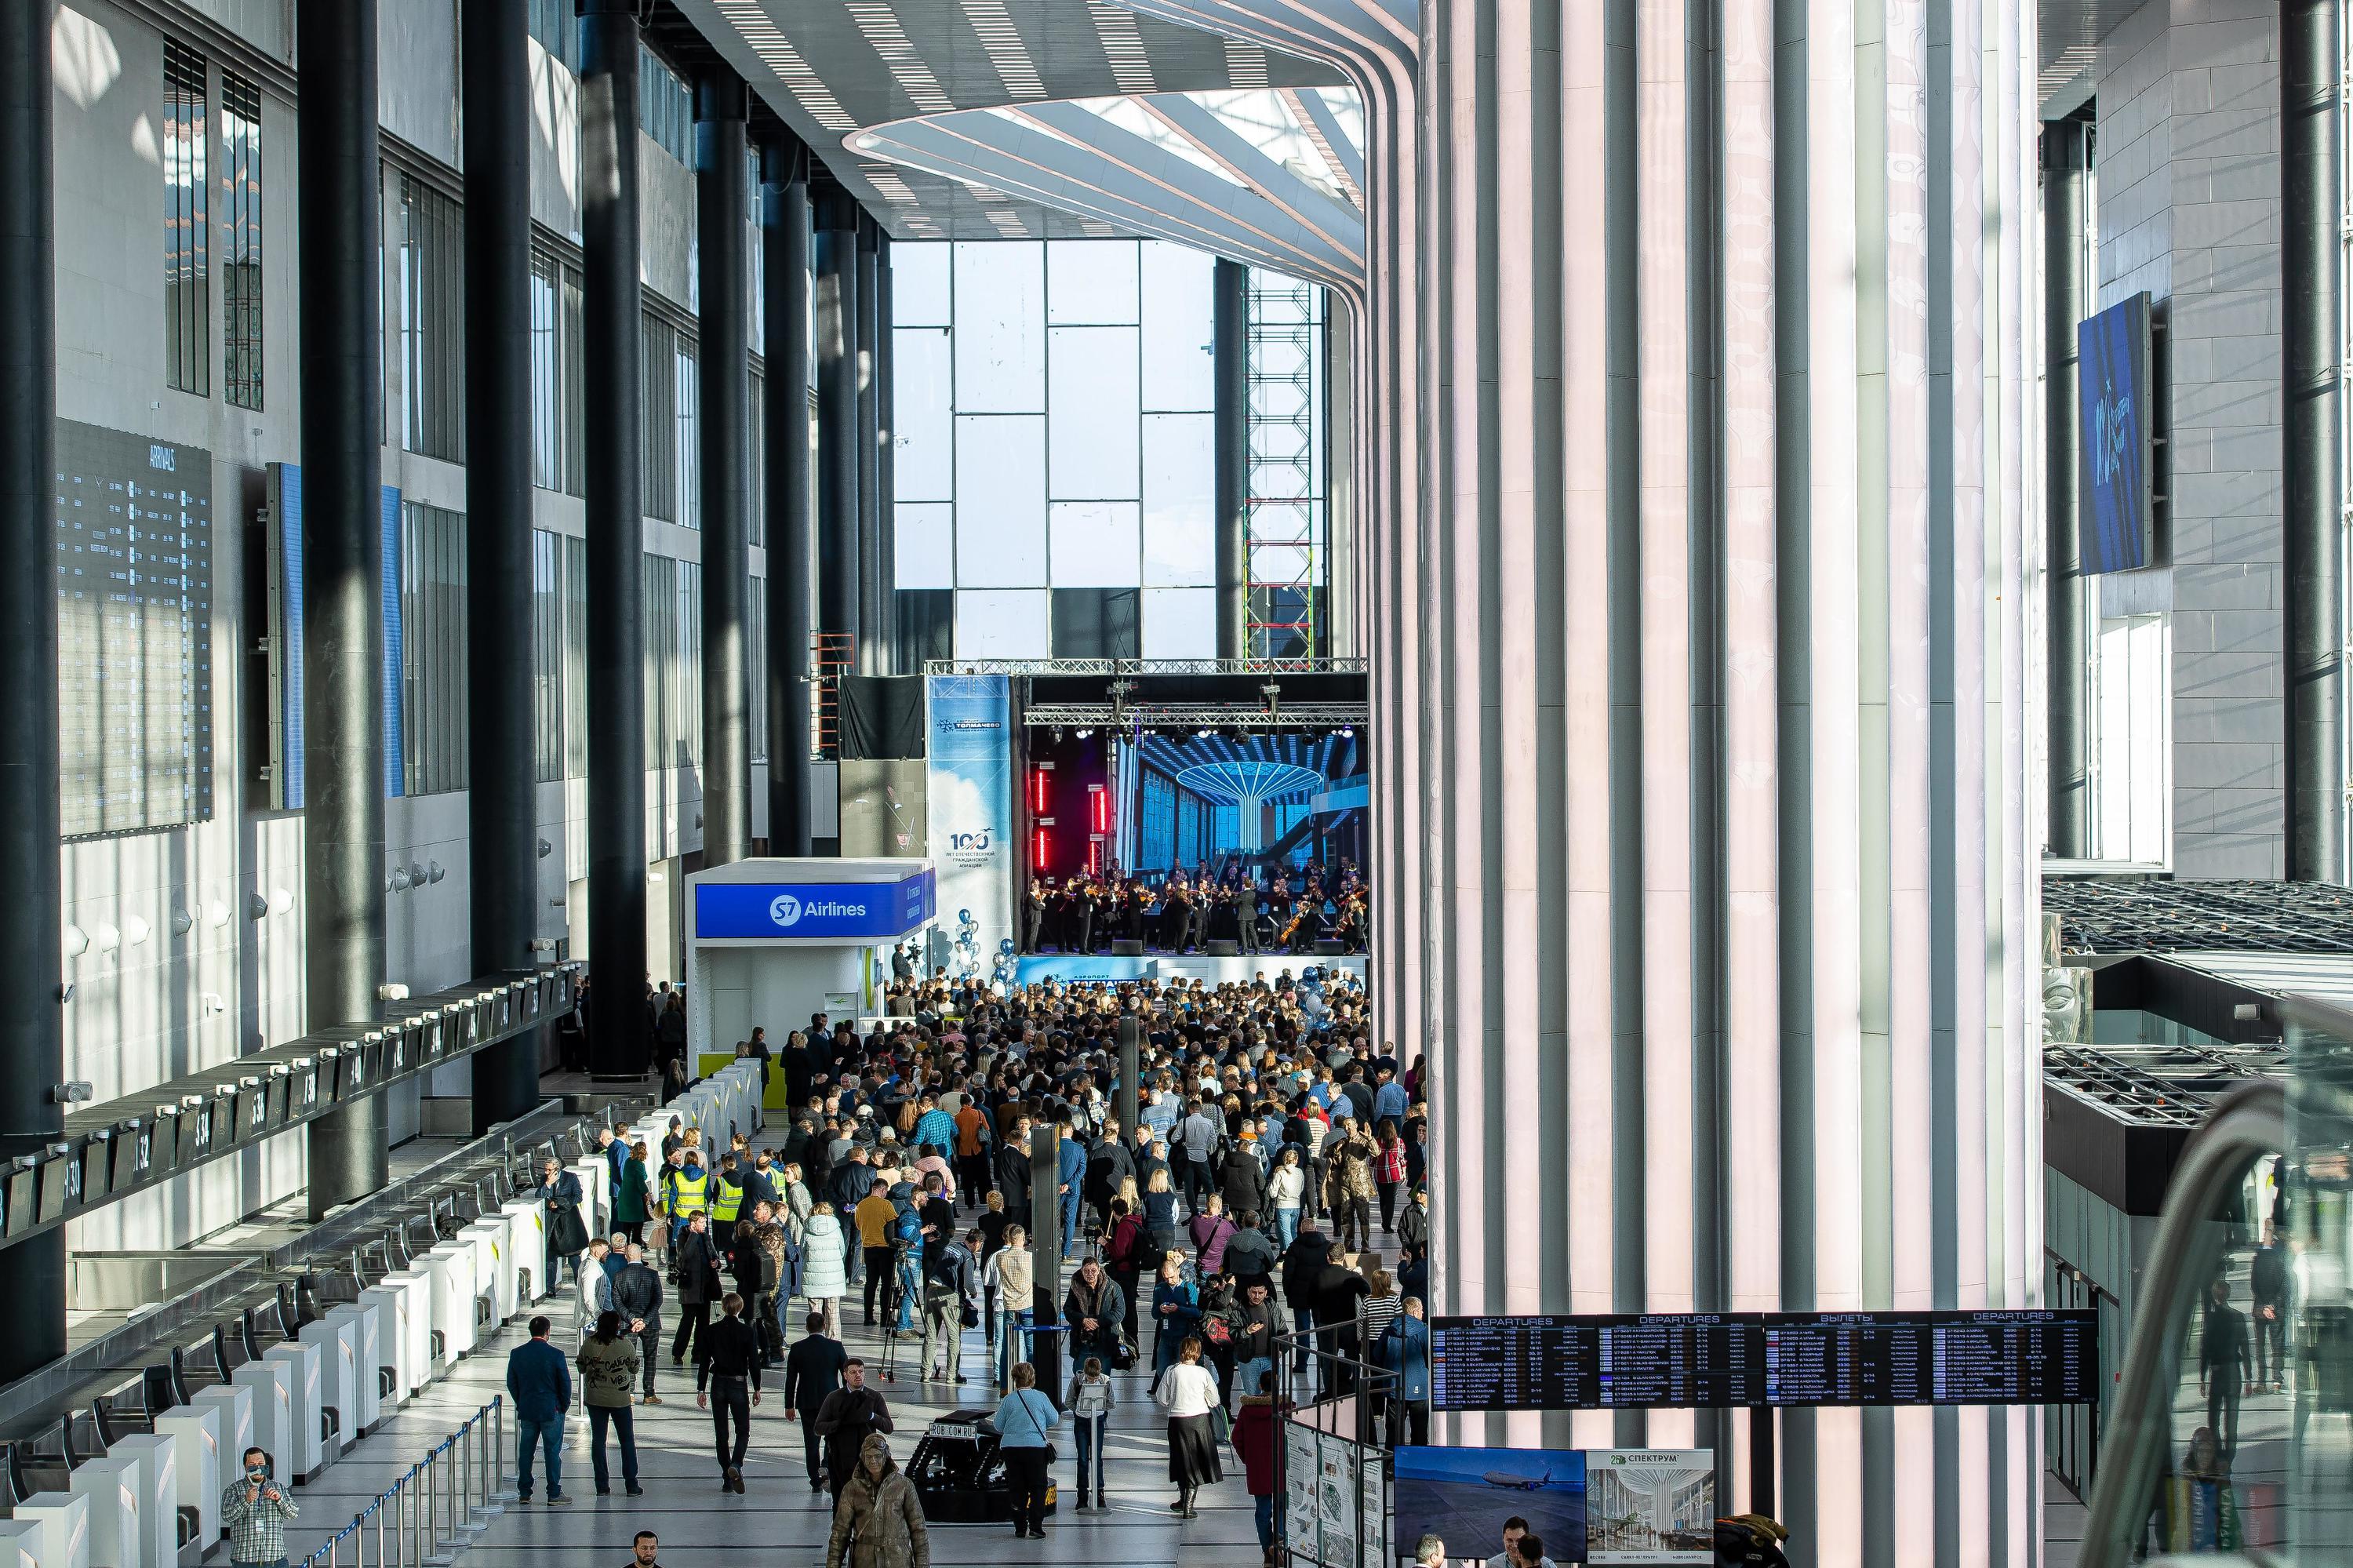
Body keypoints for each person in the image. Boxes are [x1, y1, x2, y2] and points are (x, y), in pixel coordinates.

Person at [825, 1432, 931, 1568]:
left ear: (886, 1457)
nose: (873, 1461)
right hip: (864, 1561)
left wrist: (922, 1565)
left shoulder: (904, 1486)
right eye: (868, 1457)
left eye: (877, 1456)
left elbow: (919, 1530)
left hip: (898, 1561)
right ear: (863, 1458)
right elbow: (839, 1534)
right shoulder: (851, 1489)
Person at [696, 1292, 764, 1492]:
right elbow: (754, 1362)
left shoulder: (711, 1331)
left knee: (721, 1433)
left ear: (724, 1308)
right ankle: (736, 1464)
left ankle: (727, 1476)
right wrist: (757, 1387)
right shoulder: (747, 1331)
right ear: (740, 1308)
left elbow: (704, 1362)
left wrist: (701, 1388)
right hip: (738, 1384)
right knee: (742, 1431)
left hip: (718, 1384)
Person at [504, 1315, 573, 1505]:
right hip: (551, 1410)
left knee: (526, 1451)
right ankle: (553, 1493)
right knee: (552, 1451)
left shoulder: (517, 1354)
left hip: (528, 1409)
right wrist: (563, 1406)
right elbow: (565, 1384)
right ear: (547, 1332)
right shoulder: (556, 1355)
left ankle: (524, 1492)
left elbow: (511, 1382)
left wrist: (521, 1400)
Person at [1155, 1336, 1223, 1519]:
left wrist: (1173, 1401)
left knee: (1180, 1459)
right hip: (1199, 1420)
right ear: (1197, 1353)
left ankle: (1182, 1498)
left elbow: (1161, 1398)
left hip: (1177, 1420)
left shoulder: (1171, 1371)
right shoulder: (1203, 1373)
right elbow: (1215, 1400)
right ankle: (1188, 1506)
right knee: (1197, 1461)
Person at [991, 1361, 1061, 1539]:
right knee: (1038, 1488)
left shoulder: (1009, 1400)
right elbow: (1054, 1419)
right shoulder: (1041, 1397)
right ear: (1032, 1379)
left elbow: (998, 1425)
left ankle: (1020, 1527)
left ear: (1015, 1380)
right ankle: (1036, 1526)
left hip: (1011, 1449)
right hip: (1036, 1448)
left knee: (1017, 1488)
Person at [576, 1310, 643, 1496]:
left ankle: (602, 1486)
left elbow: (581, 1367)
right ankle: (631, 1484)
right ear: (617, 1326)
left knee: (598, 1441)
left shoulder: (589, 1343)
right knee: (627, 1440)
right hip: (620, 1400)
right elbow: (635, 1368)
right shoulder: (624, 1345)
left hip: (595, 1399)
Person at [784, 1312, 850, 1493]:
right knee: (832, 1439)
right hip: (831, 1401)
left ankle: (815, 1481)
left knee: (811, 1443)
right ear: (825, 1326)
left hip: (807, 1402)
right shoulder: (836, 1347)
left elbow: (791, 1379)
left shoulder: (797, 1348)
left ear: (806, 1327)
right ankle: (826, 1466)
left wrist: (789, 1405)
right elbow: (846, 1376)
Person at [812, 1358, 895, 1498]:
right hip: (840, 1459)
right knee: (840, 1502)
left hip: (867, 1460)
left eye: (861, 1372)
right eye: (853, 1372)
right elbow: (818, 1428)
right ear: (845, 1375)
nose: (858, 1375)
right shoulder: (834, 1398)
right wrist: (839, 1423)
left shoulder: (874, 1397)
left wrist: (871, 1416)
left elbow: (888, 1427)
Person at [1231, 1369, 1281, 1565]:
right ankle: (1280, 1542)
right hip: (1281, 1468)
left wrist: (1249, 1459)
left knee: (1263, 1511)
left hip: (1259, 1469)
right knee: (1283, 1508)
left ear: (1260, 1386)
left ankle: (1267, 1551)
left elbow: (1237, 1438)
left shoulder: (1247, 1410)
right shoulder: (1285, 1408)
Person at [221, 1446, 298, 1568]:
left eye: (260, 1463)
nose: (257, 1467)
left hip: (275, 1559)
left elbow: (293, 1513)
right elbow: (226, 1515)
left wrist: (280, 1500)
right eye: (252, 1464)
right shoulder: (234, 1489)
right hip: (245, 1560)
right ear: (246, 1467)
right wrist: (245, 1501)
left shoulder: (278, 1487)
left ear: (266, 1465)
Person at [2201, 1275, 2251, 1457]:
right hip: (2234, 1372)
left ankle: (2218, 1453)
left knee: (2213, 1418)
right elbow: (2245, 1346)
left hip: (2217, 1372)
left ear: (2215, 1297)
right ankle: (2229, 1457)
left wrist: (2202, 1376)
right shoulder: (2238, 1317)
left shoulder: (2212, 1319)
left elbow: (2205, 1348)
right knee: (2232, 1419)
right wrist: (2249, 1376)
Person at [609, 1242, 666, 1404]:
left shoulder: (620, 1275)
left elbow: (616, 1301)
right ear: (641, 1255)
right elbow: (658, 1300)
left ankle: (630, 1392)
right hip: (651, 1323)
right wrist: (645, 1320)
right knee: (650, 1357)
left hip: (628, 1325)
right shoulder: (652, 1274)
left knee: (628, 1358)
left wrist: (632, 1319)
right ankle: (649, 1394)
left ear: (626, 1256)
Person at [986, 1224, 1035, 1392]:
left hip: (1008, 1306)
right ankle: (1033, 1381)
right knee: (1031, 1346)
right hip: (1027, 1305)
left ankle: (1005, 1384)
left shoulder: (1001, 1258)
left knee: (1006, 1346)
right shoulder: (1029, 1257)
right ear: (1021, 1239)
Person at [671, 1212, 724, 1366]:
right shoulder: (684, 1236)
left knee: (703, 1323)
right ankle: (678, 1353)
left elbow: (713, 1254)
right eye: (702, 1222)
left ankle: (699, 1354)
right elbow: (683, 1257)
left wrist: (716, 1263)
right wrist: (693, 1236)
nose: (705, 1225)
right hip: (690, 1287)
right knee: (687, 1322)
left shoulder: (706, 1236)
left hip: (705, 1287)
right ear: (693, 1224)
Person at [1380, 1296, 1431, 1446]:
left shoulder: (1389, 1330)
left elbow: (1377, 1355)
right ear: (1415, 1312)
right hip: (1419, 1389)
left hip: (1394, 1388)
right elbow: (1431, 1357)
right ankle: (1418, 1464)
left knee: (1393, 1432)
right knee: (1420, 1433)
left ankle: (1391, 1465)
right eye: (1421, 1311)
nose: (1423, 1314)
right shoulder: (1423, 1331)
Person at [1067, 1355, 1116, 1514]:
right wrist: (1079, 1409)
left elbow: (1111, 1402)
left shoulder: (1106, 1381)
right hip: (1081, 1422)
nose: (1093, 1381)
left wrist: (1101, 1408)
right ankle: (1082, 1494)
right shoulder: (1077, 1381)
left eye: (1095, 1378)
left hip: (1098, 1420)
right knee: (1082, 1458)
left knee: (1097, 1458)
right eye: (1090, 1378)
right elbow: (1069, 1401)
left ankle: (1099, 1492)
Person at [1064, 1256, 1127, 1372]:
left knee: (1104, 1378)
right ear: (1082, 1271)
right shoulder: (1076, 1287)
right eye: (1086, 1271)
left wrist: (1098, 1322)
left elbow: (1119, 1312)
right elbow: (1068, 1310)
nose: (1090, 1274)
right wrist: (1083, 1320)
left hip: (1104, 1342)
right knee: (1080, 1377)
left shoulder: (1112, 1287)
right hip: (1082, 1341)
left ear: (1099, 1270)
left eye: (1093, 1271)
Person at [538, 1157, 591, 1291]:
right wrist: (548, 1184)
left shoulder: (570, 1178)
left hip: (568, 1221)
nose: (546, 1172)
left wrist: (560, 1202)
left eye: (549, 1170)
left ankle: (580, 1285)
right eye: (545, 1169)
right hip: (552, 1222)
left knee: (573, 1256)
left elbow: (578, 1196)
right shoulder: (544, 1180)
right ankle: (550, 1288)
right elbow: (539, 1196)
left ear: (557, 1169)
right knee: (551, 1255)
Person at [856, 1179, 900, 1326]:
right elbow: (893, 1225)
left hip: (868, 1248)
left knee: (870, 1283)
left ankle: (868, 1316)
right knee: (887, 1284)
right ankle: (885, 1317)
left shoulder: (861, 1205)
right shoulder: (886, 1205)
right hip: (885, 1248)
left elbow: (858, 1224)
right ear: (883, 1190)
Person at [802, 1201, 849, 1336]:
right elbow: (842, 1250)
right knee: (833, 1312)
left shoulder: (807, 1229)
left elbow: (803, 1250)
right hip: (833, 1277)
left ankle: (815, 1338)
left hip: (812, 1277)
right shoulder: (836, 1228)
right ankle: (834, 1342)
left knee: (815, 1312)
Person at [1151, 1252, 1202, 1374]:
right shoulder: (1159, 1288)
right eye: (1166, 1278)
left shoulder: (1188, 1287)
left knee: (1182, 1371)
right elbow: (1154, 1313)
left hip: (1183, 1336)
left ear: (1178, 1272)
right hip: (1165, 1335)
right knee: (1162, 1370)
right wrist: (1160, 1309)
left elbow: (1196, 1312)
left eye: (1172, 1277)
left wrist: (1178, 1309)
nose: (1169, 1280)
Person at [613, 1141, 653, 1246]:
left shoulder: (628, 1161)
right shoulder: (639, 1164)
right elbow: (642, 1180)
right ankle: (635, 1257)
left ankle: (624, 1254)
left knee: (625, 1230)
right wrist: (648, 1194)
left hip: (624, 1198)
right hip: (634, 1201)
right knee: (637, 1231)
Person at [1267, 1148, 1307, 1250]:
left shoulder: (1280, 1173)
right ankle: (1289, 1251)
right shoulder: (1300, 1172)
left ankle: (1291, 1253)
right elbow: (1302, 1188)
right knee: (1292, 1230)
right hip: (1296, 1204)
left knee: (1285, 1232)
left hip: (1283, 1205)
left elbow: (1273, 1192)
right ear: (1296, 1160)